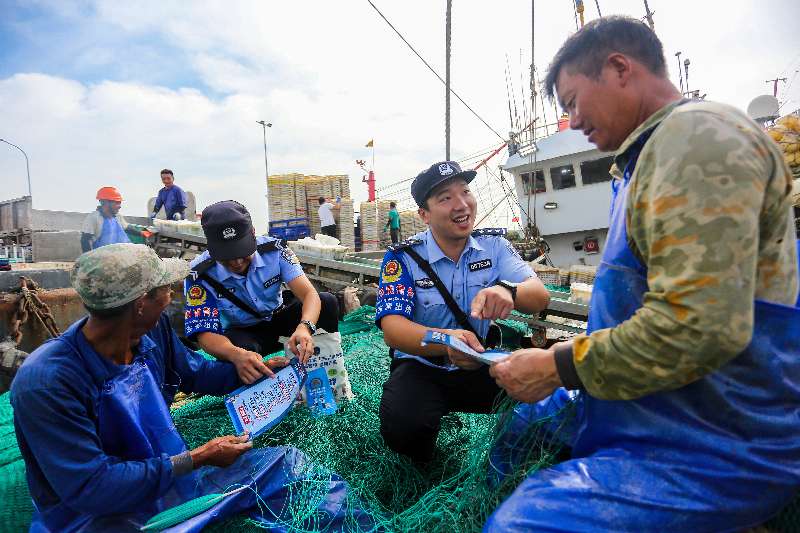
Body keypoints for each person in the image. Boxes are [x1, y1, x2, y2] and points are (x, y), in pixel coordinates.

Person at [484, 17, 800, 532]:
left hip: (715, 436)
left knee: (522, 524)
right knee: (526, 422)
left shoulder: (698, 139)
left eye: (572, 101)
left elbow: (700, 327)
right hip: (652, 399)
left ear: (619, 68)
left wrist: (558, 366)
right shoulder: (642, 160)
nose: (573, 120)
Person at [10, 243, 369, 531]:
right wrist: (198, 458)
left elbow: (195, 373)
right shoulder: (47, 382)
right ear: (140, 305)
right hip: (101, 517)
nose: (172, 296)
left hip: (172, 480)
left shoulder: (152, 332)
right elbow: (92, 489)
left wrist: (255, 370)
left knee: (286, 466)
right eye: (165, 290)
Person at [376, 160, 550, 462]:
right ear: (424, 215)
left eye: (465, 192)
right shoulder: (403, 257)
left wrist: (507, 290)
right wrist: (446, 341)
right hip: (423, 367)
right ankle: (428, 463)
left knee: (544, 397)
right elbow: (393, 328)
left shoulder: (494, 246)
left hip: (482, 363)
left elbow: (539, 296)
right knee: (403, 427)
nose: (461, 204)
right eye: (445, 197)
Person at [184, 200, 339, 384]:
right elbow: (204, 333)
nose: (237, 263)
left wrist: (305, 326)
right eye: (227, 257)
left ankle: (324, 366)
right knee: (238, 349)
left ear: (253, 235)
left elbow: (309, 295)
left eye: (242, 253)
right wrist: (237, 355)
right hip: (244, 332)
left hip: (281, 317)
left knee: (327, 302)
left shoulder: (276, 250)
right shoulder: (198, 274)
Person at [80, 186, 148, 251]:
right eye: (117, 203)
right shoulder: (93, 217)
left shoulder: (118, 217)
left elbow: (127, 228)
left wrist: (142, 233)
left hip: (122, 253)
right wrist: (88, 258)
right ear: (105, 202)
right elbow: (85, 240)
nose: (120, 206)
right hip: (102, 256)